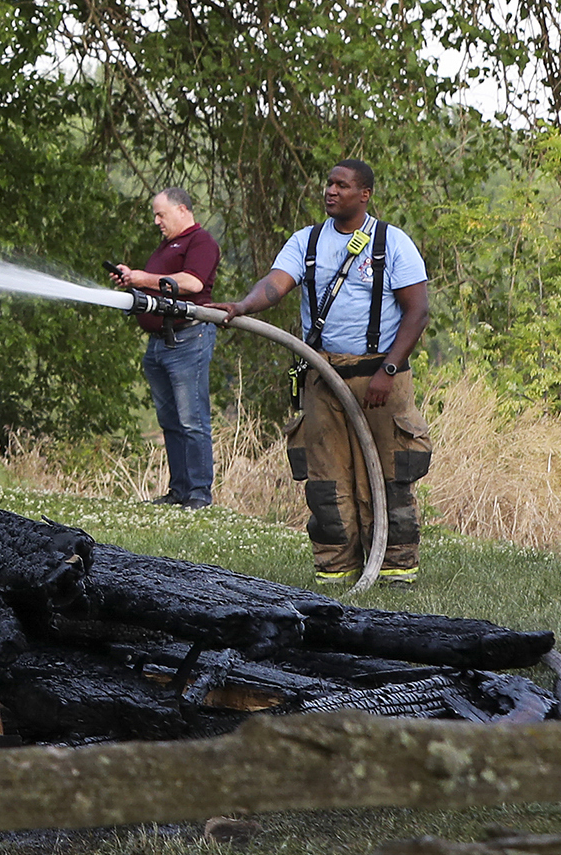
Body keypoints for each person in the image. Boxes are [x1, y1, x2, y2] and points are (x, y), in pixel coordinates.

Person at [213, 160, 433, 583]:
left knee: (390, 474)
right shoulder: (306, 241)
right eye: (328, 184)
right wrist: (241, 306)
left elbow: (417, 312)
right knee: (326, 479)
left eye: (341, 185)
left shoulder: (393, 243)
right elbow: (274, 285)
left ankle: (395, 570)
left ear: (364, 194)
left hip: (380, 378)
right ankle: (334, 571)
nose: (330, 191)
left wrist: (387, 371)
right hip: (321, 375)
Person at [115, 187, 222, 507]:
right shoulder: (167, 246)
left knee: (193, 421)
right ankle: (179, 491)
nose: (157, 221)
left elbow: (193, 283)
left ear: (182, 210)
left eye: (161, 214)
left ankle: (200, 494)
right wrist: (132, 281)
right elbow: (156, 282)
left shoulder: (201, 242)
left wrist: (142, 277)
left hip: (188, 340)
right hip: (160, 343)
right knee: (170, 421)